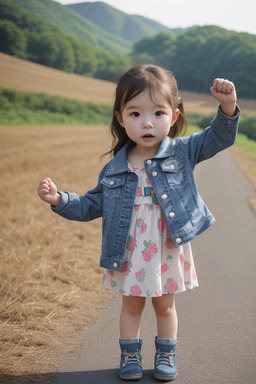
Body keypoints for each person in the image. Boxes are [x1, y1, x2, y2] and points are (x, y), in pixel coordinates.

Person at [38, 64, 239, 381]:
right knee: (131, 307)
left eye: (158, 113)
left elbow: (218, 138)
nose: (147, 122)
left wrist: (227, 107)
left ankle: (165, 354)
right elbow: (92, 204)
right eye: (135, 114)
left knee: (164, 307)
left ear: (173, 116)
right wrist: (60, 199)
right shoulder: (115, 169)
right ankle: (130, 356)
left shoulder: (182, 151)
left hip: (166, 248)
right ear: (120, 118)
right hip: (129, 251)